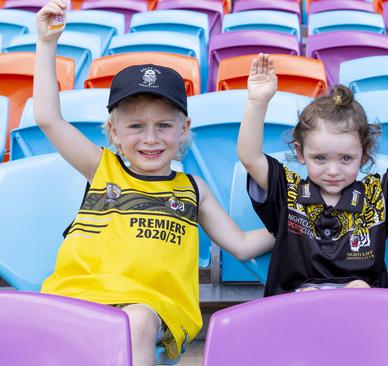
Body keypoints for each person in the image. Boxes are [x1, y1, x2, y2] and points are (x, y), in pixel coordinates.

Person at [34, 1, 275, 365]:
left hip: (154, 308)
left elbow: (240, 244)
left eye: (163, 125)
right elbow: (48, 118)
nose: (151, 138)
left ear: (184, 131)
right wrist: (46, 45)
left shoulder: (192, 189)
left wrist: (297, 223)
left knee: (138, 319)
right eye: (136, 126)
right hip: (77, 298)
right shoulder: (101, 168)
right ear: (113, 133)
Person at [237, 54, 388, 296]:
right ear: (300, 152)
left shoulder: (375, 195)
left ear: (364, 155)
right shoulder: (288, 191)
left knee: (359, 290)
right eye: (320, 158)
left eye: (346, 158)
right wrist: (256, 102)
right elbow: (250, 158)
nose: (333, 171)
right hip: (295, 309)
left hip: (361, 308)